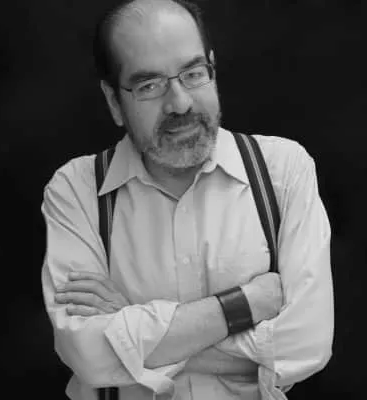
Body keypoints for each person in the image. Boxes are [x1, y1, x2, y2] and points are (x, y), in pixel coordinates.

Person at [41, 0, 334, 399]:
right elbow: (88, 356)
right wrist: (245, 306)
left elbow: (306, 345)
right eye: (149, 85)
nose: (180, 103)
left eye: (194, 74)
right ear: (114, 101)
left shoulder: (283, 169)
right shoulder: (76, 190)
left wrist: (129, 330)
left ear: (212, 69)